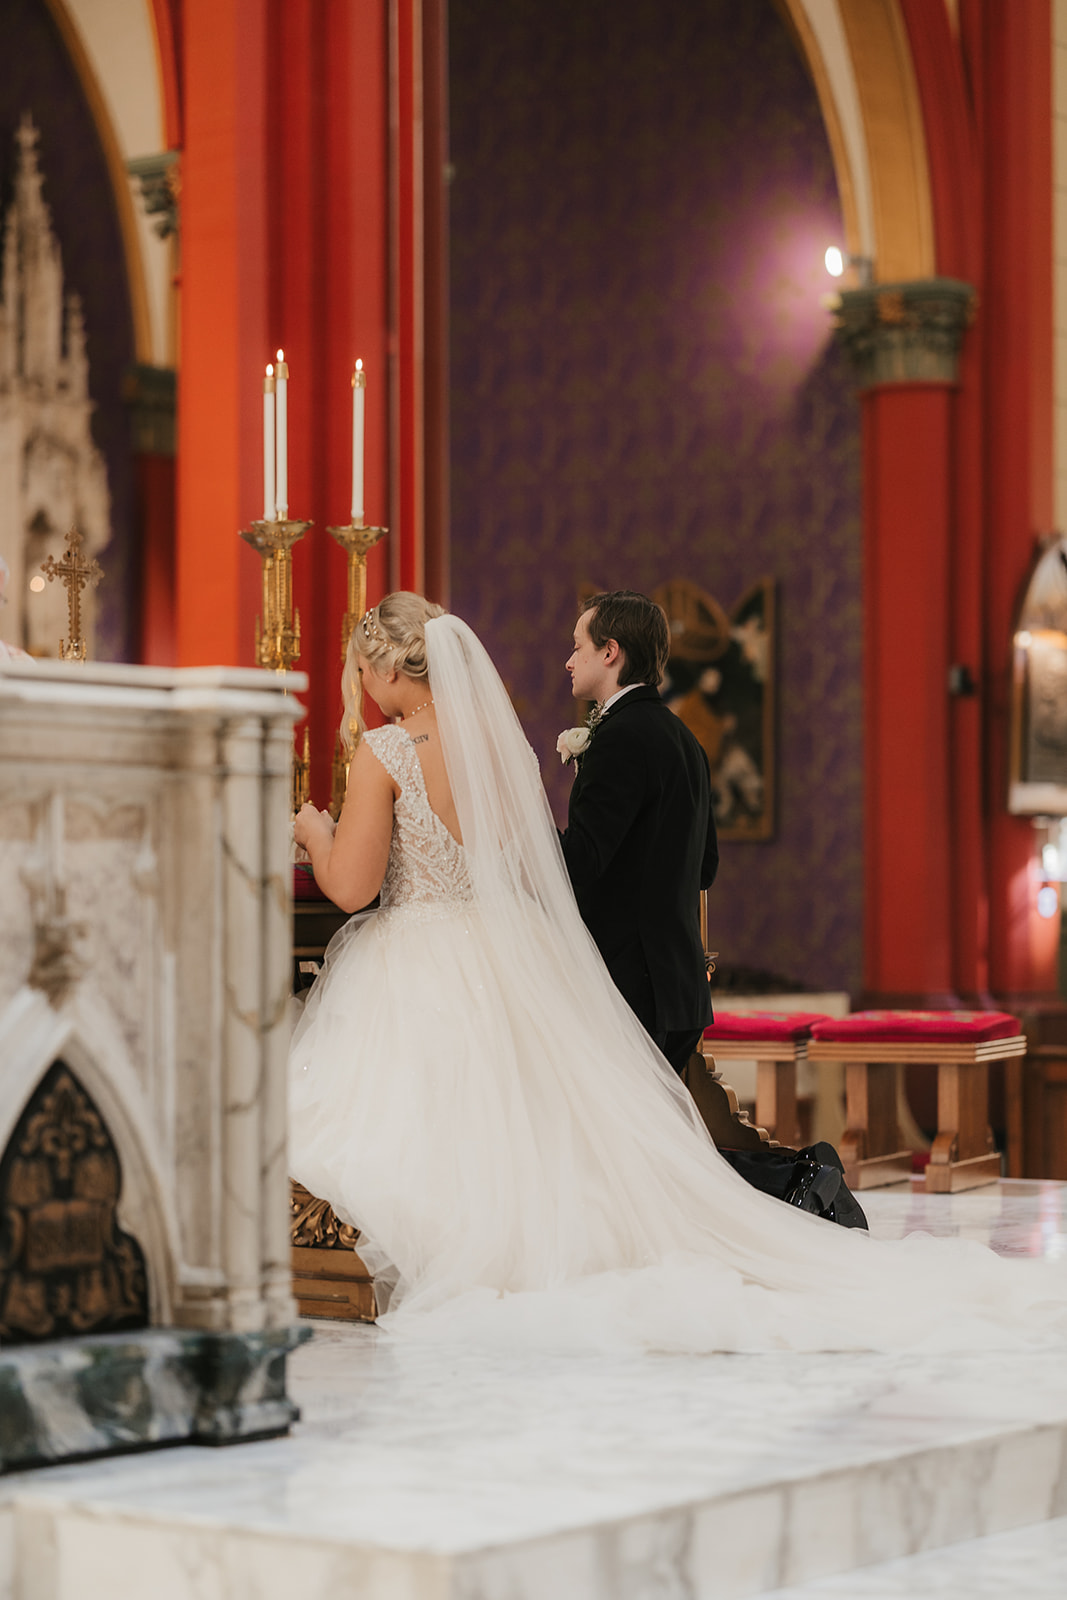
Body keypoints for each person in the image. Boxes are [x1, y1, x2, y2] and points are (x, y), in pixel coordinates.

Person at [289, 592, 1067, 1353]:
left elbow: (353, 888)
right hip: (509, 951)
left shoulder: (384, 752)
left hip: (419, 955)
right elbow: (548, 868)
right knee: (537, 1120)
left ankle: (371, 1253)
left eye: (364, 671)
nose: (364, 687)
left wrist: (317, 834)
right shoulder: (503, 750)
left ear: (389, 671)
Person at [559, 591, 717, 1073]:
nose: (568, 662)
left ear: (610, 652)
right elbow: (705, 865)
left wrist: (515, 828)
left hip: (630, 987)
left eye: (577, 646)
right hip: (680, 985)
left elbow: (584, 859)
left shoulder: (622, 737)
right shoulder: (682, 736)